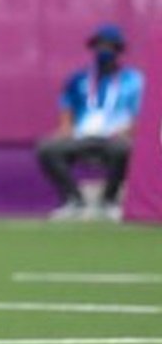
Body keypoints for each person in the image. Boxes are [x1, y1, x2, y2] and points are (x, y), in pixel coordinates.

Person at [37, 24, 145, 221]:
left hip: (115, 137)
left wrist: (128, 131)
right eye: (100, 45)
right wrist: (65, 129)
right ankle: (74, 201)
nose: (104, 50)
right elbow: (66, 108)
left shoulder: (133, 80)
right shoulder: (78, 79)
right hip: (82, 136)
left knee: (124, 150)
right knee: (48, 148)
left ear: (118, 49)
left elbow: (140, 115)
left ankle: (108, 202)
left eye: (109, 46)